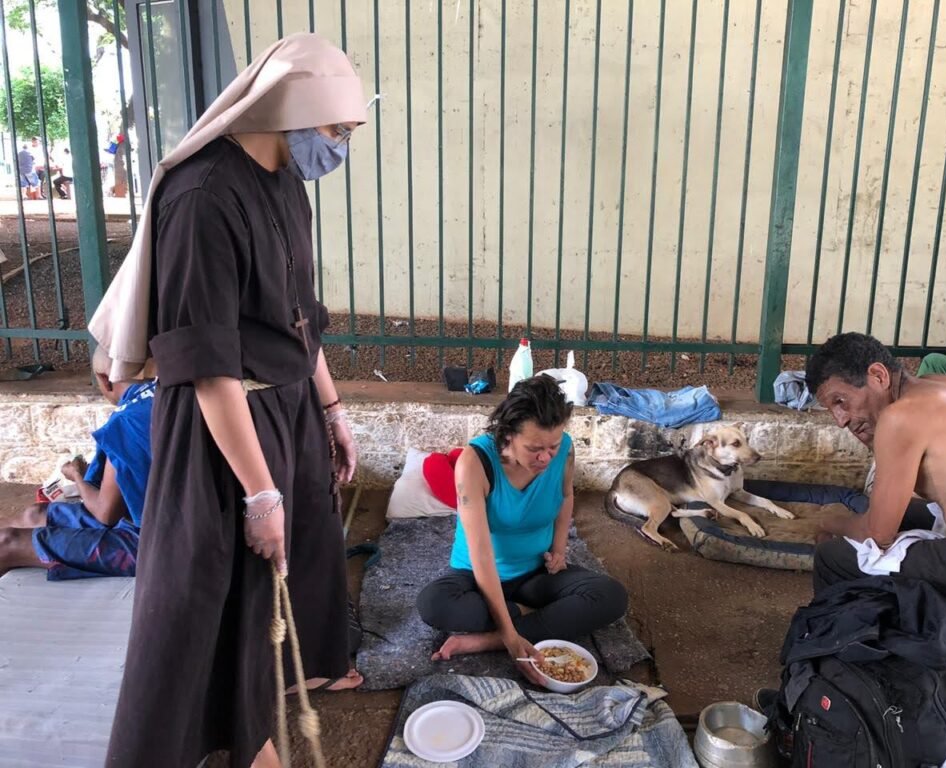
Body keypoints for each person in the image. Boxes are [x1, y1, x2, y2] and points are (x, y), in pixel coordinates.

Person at [88, 34, 365, 768]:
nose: (340, 146)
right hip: (224, 435)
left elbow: (299, 321)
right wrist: (260, 492)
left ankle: (256, 734)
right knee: (211, 600)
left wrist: (332, 412)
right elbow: (209, 368)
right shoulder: (202, 196)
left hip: (286, 413)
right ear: (295, 113)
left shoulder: (282, 180)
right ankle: (230, 747)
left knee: (277, 590)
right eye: (338, 130)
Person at [805, 332, 946, 638]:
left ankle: (837, 667)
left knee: (834, 555)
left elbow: (877, 534)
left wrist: (828, 520)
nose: (841, 420)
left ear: (878, 376)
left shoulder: (901, 417)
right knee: (900, 517)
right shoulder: (943, 386)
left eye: (841, 402)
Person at [417, 374, 628, 683]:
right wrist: (510, 630)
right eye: (534, 448)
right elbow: (481, 553)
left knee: (611, 596)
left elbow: (566, 496)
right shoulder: (475, 462)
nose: (545, 457)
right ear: (508, 435)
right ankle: (528, 619)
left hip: (535, 573)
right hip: (476, 575)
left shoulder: (564, 451)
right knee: (434, 605)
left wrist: (558, 548)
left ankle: (485, 640)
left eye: (552, 446)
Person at [0, 346, 154, 580]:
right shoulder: (170, 397)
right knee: (35, 514)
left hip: (153, 547)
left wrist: (77, 477)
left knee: (6, 543)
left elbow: (106, 514)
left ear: (105, 380)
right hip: (153, 521)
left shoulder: (125, 421)